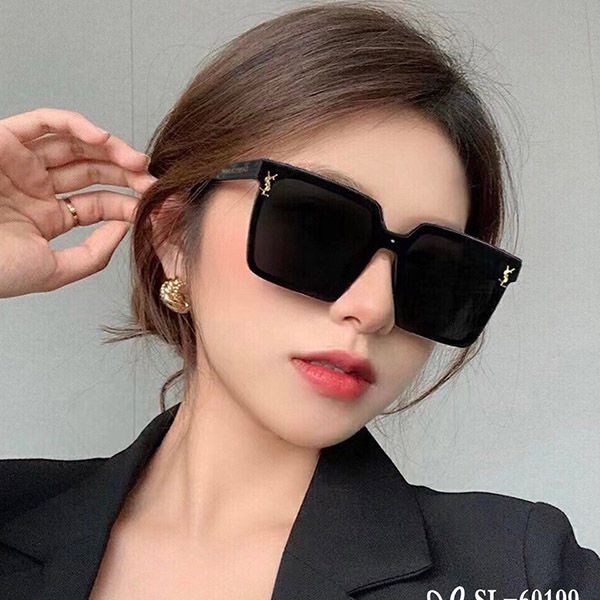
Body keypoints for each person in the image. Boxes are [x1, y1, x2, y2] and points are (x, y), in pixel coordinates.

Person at [1, 2, 598, 599]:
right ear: (176, 238)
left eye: (434, 270)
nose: (374, 309)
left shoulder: (521, 570)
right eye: (318, 228)